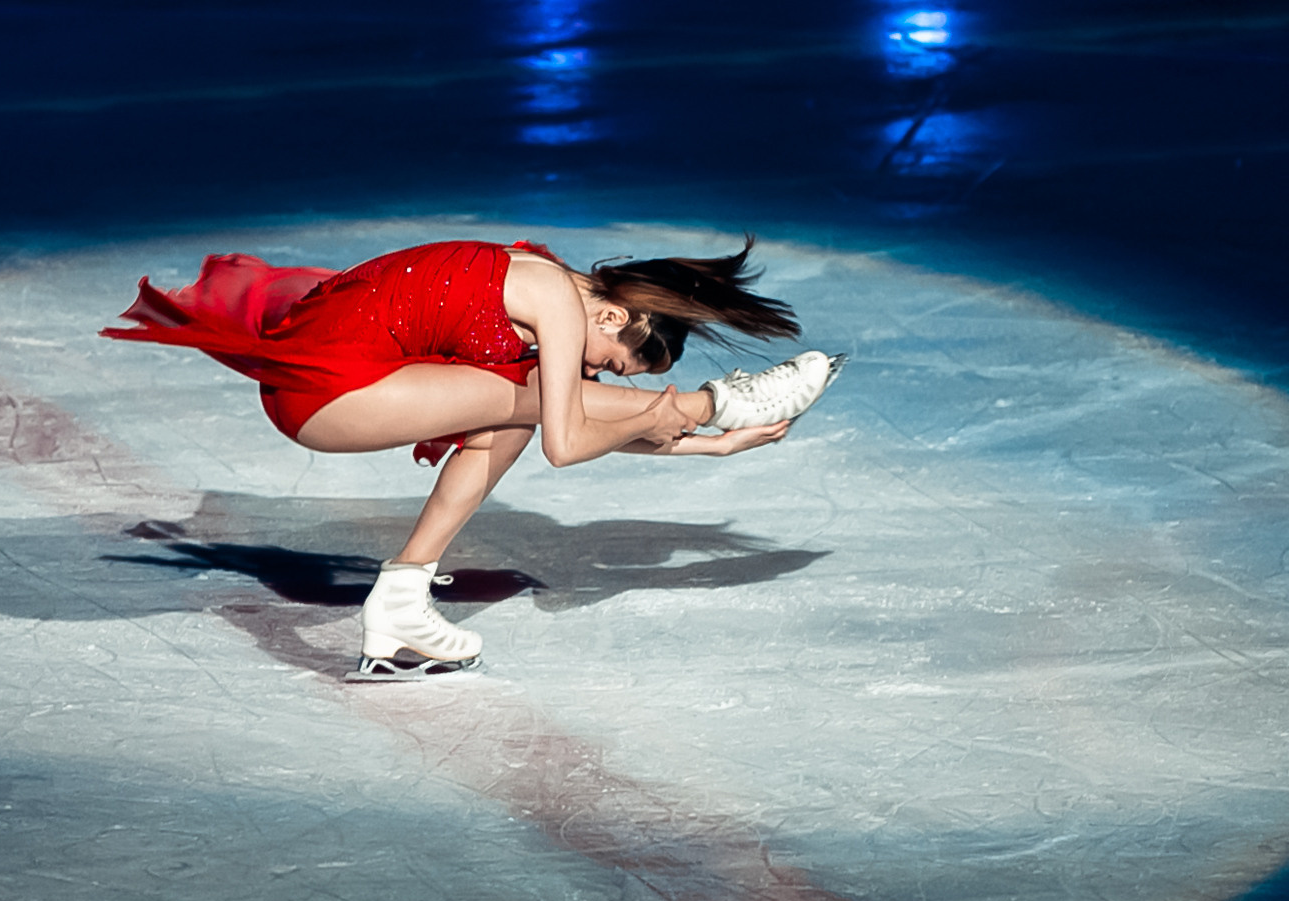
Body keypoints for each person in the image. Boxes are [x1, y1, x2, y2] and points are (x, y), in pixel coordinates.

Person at [102, 238, 844, 681]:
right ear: (617, 316)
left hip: (339, 386)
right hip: (332, 393)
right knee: (525, 402)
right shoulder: (551, 296)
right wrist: (701, 415)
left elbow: (569, 414)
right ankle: (722, 399)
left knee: (519, 400)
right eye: (616, 361)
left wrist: (705, 442)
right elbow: (567, 440)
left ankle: (398, 603)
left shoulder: (552, 286)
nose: (605, 372)